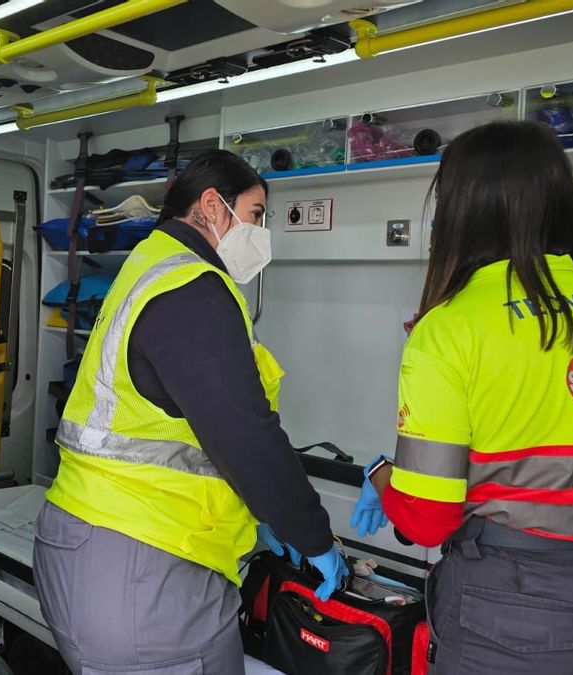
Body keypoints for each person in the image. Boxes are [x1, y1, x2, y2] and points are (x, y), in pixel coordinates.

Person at [350, 121, 573, 675]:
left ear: (463, 211)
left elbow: (427, 521)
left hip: (515, 614)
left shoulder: (449, 330)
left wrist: (383, 474)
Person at [34, 150, 344, 675]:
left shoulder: (148, 265)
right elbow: (246, 433)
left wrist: (260, 518)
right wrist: (312, 534)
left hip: (90, 541)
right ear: (211, 206)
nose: (260, 231)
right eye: (255, 214)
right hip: (144, 566)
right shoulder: (193, 287)